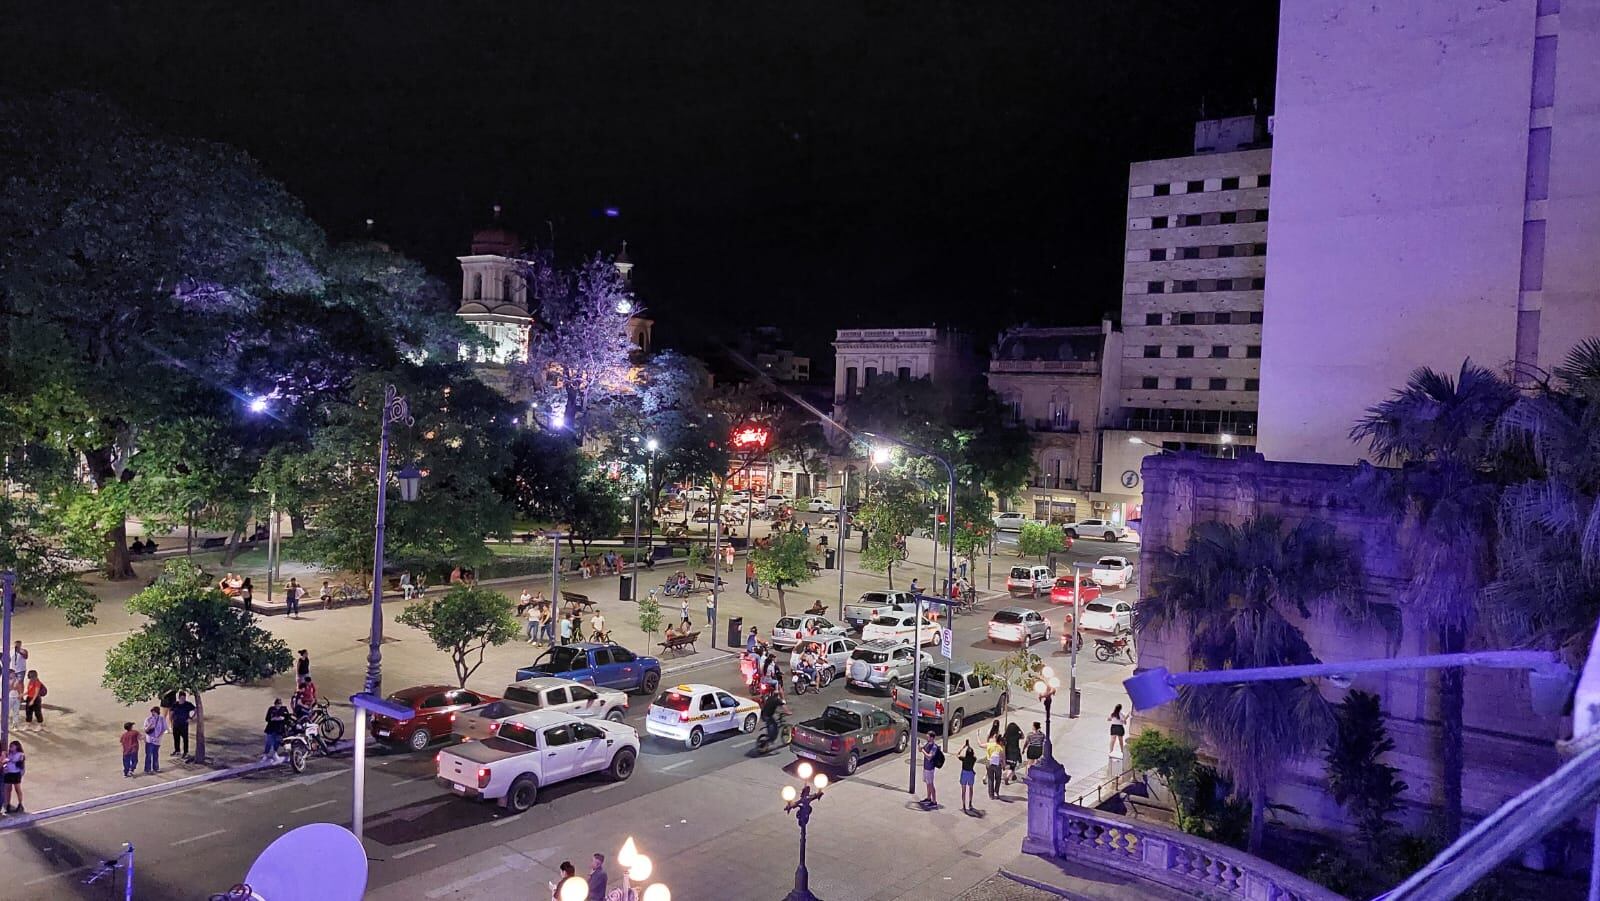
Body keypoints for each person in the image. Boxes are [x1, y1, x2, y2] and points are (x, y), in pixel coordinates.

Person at [170, 690, 197, 759]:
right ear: (179, 698)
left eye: (184, 698)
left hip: (184, 724)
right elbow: (171, 713)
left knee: (185, 739)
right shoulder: (175, 704)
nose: (183, 699)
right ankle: (177, 750)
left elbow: (195, 709)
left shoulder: (188, 704)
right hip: (176, 724)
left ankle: (185, 752)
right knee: (176, 738)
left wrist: (191, 718)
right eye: (182, 698)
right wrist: (171, 722)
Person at [142, 706, 166, 774]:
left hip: (157, 740)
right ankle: (147, 769)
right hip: (149, 740)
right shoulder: (148, 719)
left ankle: (156, 768)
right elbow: (145, 730)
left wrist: (159, 736)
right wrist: (150, 725)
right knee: (149, 755)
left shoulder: (161, 719)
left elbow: (163, 729)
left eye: (154, 712)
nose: (153, 713)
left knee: (156, 754)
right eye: (152, 712)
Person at [2, 740, 24, 813]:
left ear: (17, 747)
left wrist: (9, 760)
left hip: (16, 773)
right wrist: (5, 766)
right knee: (8, 789)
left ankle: (20, 804)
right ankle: (8, 805)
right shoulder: (8, 754)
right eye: (10, 746)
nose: (10, 747)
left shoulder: (20, 754)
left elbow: (19, 763)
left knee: (17, 789)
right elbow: (4, 762)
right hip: (8, 773)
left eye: (12, 746)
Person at [957, 739, 978, 812]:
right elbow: (973, 754)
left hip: (964, 773)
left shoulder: (964, 758)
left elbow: (958, 754)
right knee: (971, 788)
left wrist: (963, 747)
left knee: (963, 790)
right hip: (971, 774)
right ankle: (970, 803)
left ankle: (963, 805)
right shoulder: (974, 759)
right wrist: (969, 746)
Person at [921, 736, 940, 807]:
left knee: (931, 784)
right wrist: (920, 748)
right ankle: (928, 798)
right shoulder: (927, 744)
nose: (927, 738)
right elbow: (922, 750)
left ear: (932, 738)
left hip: (930, 768)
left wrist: (922, 751)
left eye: (928, 737)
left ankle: (934, 801)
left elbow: (929, 757)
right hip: (926, 767)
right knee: (928, 783)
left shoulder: (934, 747)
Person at [985, 731, 1004, 799]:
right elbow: (1002, 758)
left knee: (990, 779)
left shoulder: (990, 745)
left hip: (989, 763)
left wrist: (978, 736)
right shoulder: (1000, 748)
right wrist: (1003, 765)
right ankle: (996, 792)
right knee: (998, 779)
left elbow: (980, 744)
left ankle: (991, 795)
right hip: (997, 765)